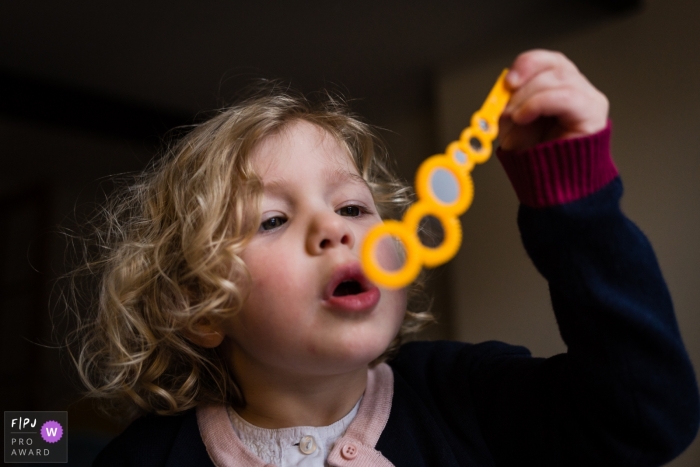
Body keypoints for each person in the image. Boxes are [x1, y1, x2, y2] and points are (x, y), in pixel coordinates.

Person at [74, 50, 699, 466]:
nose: (336, 231)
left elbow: (648, 417)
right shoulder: (146, 456)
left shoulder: (464, 397)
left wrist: (573, 199)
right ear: (201, 308)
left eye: (353, 208)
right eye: (273, 219)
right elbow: (33, 440)